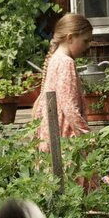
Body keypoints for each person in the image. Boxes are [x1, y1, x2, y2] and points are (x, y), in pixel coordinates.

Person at [31, 12, 94, 151]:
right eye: (85, 41)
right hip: (64, 138)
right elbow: (69, 107)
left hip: (52, 136)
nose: (87, 46)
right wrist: (86, 137)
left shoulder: (55, 59)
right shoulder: (66, 63)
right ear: (70, 37)